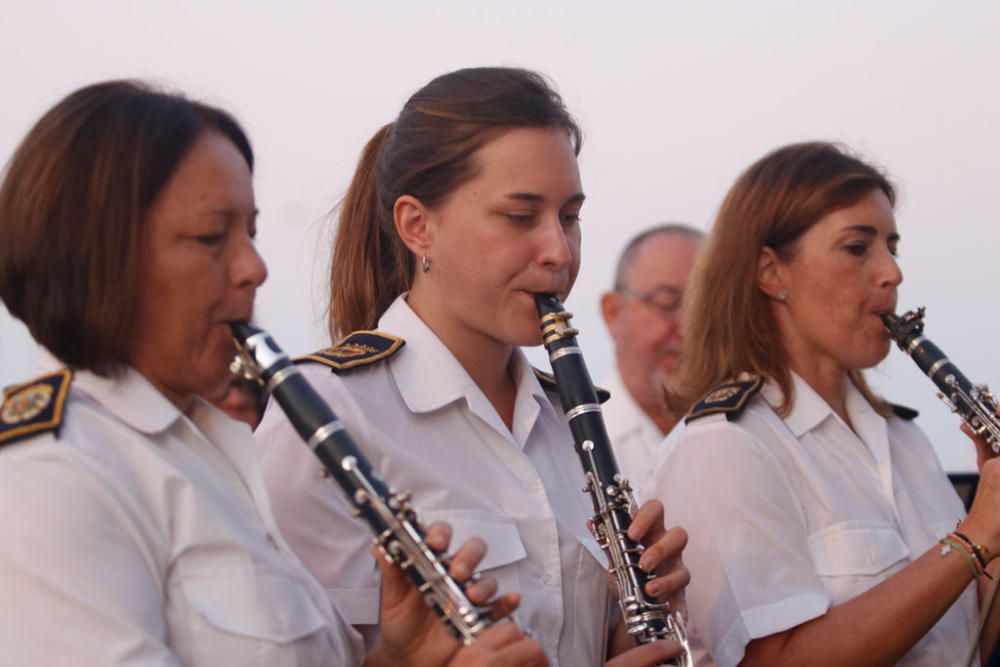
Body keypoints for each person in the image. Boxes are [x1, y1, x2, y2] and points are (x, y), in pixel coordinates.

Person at [0, 80, 545, 667]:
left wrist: (397, 657)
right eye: (212, 238)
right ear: (99, 254)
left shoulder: (210, 456)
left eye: (251, 234)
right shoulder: (51, 474)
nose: (254, 269)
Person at [255, 67, 691, 667]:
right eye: (520, 217)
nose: (558, 253)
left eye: (569, 216)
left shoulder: (568, 422)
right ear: (417, 226)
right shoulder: (326, 410)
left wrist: (633, 630)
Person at [645, 141, 1000, 666]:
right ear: (771, 273)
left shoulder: (906, 441)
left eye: (892, 247)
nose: (891, 273)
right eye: (858, 248)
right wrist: (974, 539)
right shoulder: (724, 447)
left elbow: (967, 645)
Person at [599, 224, 703, 491]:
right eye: (667, 303)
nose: (688, 328)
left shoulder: (756, 432)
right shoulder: (573, 447)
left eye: (705, 308)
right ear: (613, 312)